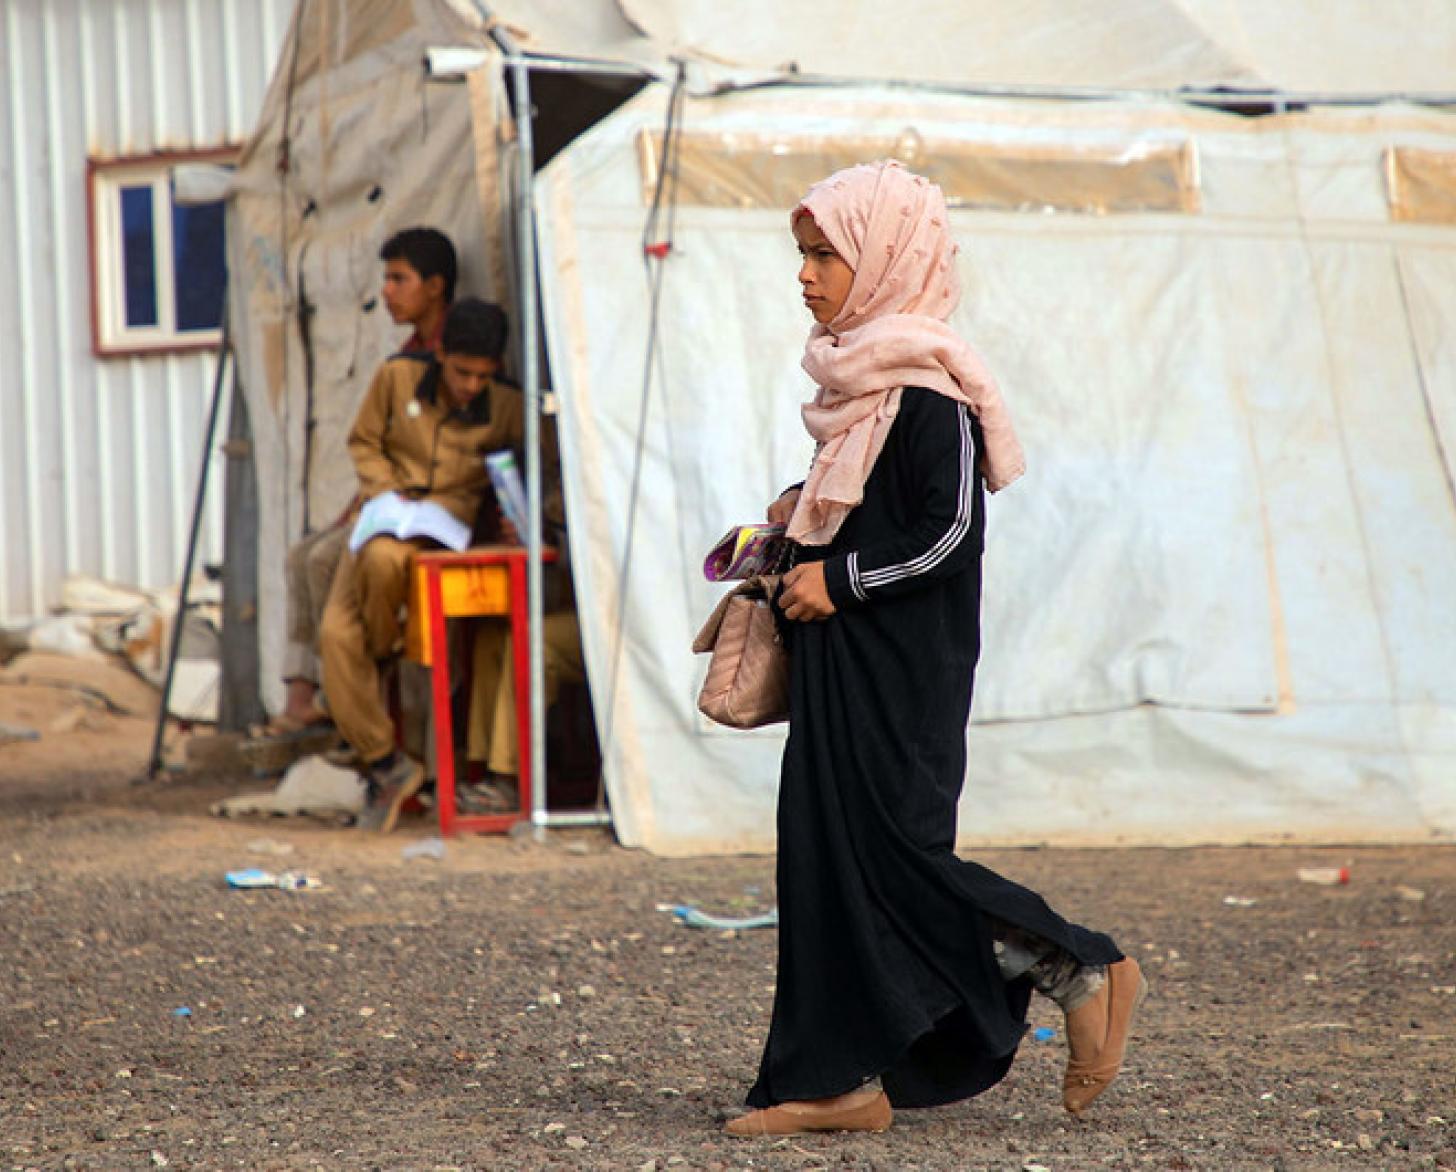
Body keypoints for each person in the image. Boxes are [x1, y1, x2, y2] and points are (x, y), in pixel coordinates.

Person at [721, 161, 1145, 1138]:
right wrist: (789, 541)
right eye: (803, 253)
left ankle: (1081, 964)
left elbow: (951, 534)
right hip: (840, 668)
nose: (806, 273)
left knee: (897, 860)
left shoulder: (928, 391)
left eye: (826, 253)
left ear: (884, 259)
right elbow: (864, 515)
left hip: (902, 676)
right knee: (823, 860)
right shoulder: (851, 388)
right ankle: (835, 1079)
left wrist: (841, 578)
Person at [319, 298, 522, 832]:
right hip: (379, 519)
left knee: (386, 577)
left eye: (483, 376)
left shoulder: (507, 406)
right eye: (462, 372)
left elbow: (532, 471)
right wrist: (385, 493)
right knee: (337, 637)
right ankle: (388, 762)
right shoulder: (397, 377)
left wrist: (521, 517)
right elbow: (363, 441)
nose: (471, 386)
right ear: (441, 356)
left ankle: (384, 650)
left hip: (442, 537)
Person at [270, 227, 460, 733]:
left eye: (399, 279)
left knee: (324, 562)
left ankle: (354, 703)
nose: (387, 292)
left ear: (435, 286)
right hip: (387, 504)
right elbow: (377, 442)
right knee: (302, 556)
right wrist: (366, 499)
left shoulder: (457, 357)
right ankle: (309, 698)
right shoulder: (405, 356)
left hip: (429, 518)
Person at [459, 414, 585, 814]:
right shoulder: (551, 472)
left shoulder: (600, 468)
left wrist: (551, 534)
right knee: (491, 638)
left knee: (531, 641)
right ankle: (483, 771)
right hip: (569, 606)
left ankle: (509, 778)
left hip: (611, 626)